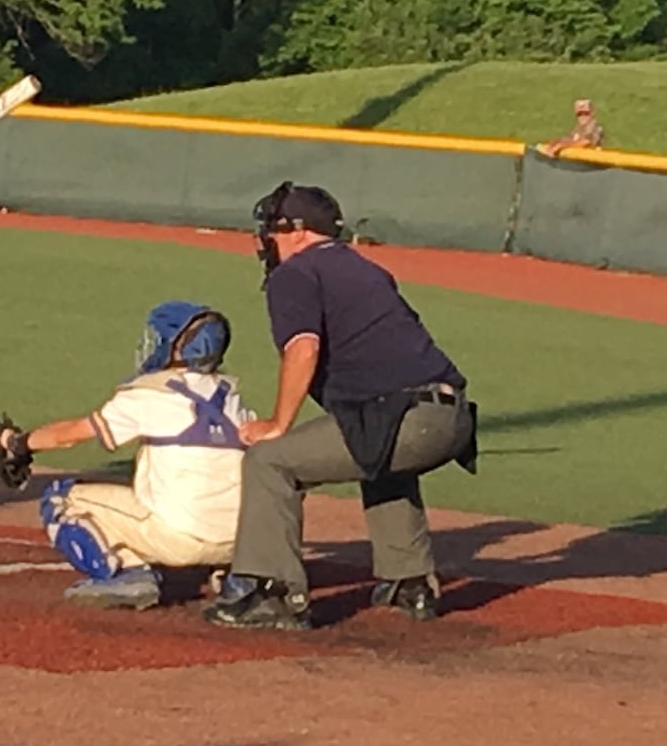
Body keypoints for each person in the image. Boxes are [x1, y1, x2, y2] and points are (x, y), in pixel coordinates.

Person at [202, 182, 478, 631]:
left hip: (405, 418)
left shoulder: (296, 274)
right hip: (452, 417)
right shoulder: (365, 269)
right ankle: (409, 583)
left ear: (295, 231)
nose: (266, 240)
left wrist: (278, 423)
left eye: (271, 229)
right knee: (377, 451)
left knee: (270, 461)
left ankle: (273, 592)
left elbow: (303, 348)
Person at [0, 301, 256, 610]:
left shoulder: (152, 394)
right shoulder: (233, 400)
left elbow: (71, 435)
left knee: (61, 498)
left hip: (178, 541)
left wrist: (17, 443)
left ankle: (127, 574)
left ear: (176, 348)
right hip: (240, 544)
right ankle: (234, 578)